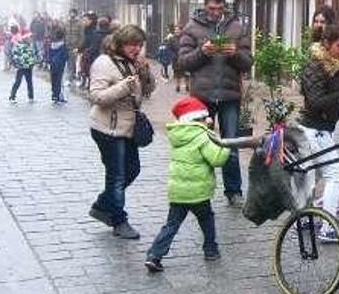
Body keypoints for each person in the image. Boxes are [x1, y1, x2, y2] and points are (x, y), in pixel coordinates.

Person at [177, 0, 253, 207]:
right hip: (202, 95)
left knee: (230, 143)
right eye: (212, 9)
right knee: (202, 144)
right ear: (205, 5)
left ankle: (233, 191)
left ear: (225, 6)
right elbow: (182, 63)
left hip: (230, 94)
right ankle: (202, 189)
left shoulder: (237, 27)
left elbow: (248, 62)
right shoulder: (192, 27)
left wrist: (235, 54)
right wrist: (203, 52)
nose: (216, 13)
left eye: (220, 9)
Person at [144, 97, 231, 273]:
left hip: (178, 192)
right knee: (206, 220)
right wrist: (225, 145)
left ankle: (154, 255)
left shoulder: (178, 135)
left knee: (171, 225)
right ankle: (210, 250)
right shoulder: (202, 137)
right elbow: (217, 159)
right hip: (198, 193)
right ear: (199, 119)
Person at [298, 25, 339, 242]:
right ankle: (327, 228)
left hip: (324, 128)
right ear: (326, 44)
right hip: (314, 128)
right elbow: (317, 102)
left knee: (315, 174)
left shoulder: (336, 64)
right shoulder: (315, 67)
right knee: (335, 174)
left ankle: (306, 219)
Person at [87, 25, 155, 240]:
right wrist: (124, 87)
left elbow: (147, 90)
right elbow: (96, 97)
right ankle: (118, 220)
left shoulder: (133, 62)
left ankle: (102, 205)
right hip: (107, 128)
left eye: (139, 44)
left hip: (128, 127)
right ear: (120, 44)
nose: (136, 49)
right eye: (132, 44)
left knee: (132, 170)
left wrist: (145, 73)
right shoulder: (103, 63)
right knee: (116, 176)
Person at [9, 33, 37, 103]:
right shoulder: (20, 47)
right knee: (18, 82)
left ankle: (31, 97)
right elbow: (15, 56)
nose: (30, 40)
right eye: (29, 39)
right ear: (25, 40)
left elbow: (33, 57)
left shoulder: (30, 47)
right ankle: (12, 96)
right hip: (21, 67)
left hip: (27, 68)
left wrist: (34, 62)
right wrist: (16, 63)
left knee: (28, 82)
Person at [49, 26, 68, 104]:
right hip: (61, 66)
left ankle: (54, 95)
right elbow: (66, 56)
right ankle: (60, 96)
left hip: (53, 65)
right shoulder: (63, 46)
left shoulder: (52, 45)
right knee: (60, 81)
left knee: (53, 79)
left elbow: (49, 55)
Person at [65, 9, 84, 83]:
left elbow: (82, 36)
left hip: (75, 46)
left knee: (74, 63)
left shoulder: (80, 24)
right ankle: (71, 77)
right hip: (67, 46)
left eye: (73, 13)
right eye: (70, 13)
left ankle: (72, 78)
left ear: (76, 14)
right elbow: (64, 34)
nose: (71, 15)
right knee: (70, 63)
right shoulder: (66, 23)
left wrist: (78, 46)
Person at [165, 24, 186, 93]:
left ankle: (187, 85)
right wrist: (172, 55)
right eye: (175, 30)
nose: (177, 31)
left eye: (178, 30)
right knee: (177, 73)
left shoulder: (184, 38)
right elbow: (168, 48)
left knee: (186, 73)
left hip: (184, 57)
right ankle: (177, 86)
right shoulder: (171, 39)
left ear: (181, 30)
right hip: (175, 58)